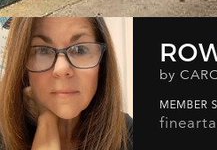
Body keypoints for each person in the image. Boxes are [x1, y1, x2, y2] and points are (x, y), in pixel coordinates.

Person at [0, 18, 131, 150]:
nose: (61, 69)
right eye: (43, 51)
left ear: (102, 62)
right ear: (22, 65)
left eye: (80, 49)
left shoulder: (127, 133)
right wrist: (47, 124)